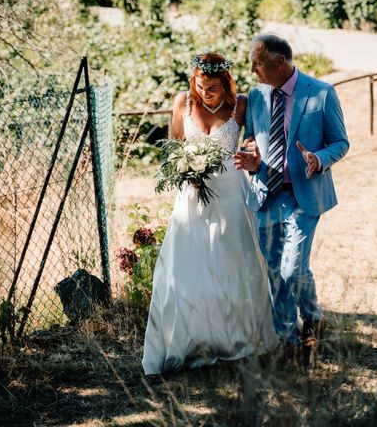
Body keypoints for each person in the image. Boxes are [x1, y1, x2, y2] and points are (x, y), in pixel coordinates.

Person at [142, 53, 278, 375]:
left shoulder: (242, 105)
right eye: (201, 86)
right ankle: (192, 340)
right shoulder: (182, 103)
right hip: (191, 198)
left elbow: (256, 145)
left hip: (230, 195)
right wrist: (181, 170)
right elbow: (173, 147)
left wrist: (252, 157)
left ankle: (236, 339)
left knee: (233, 265)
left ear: (226, 82)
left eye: (213, 87)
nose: (206, 93)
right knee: (188, 268)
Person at [233, 34, 350, 364]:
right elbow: (252, 140)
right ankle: (287, 340)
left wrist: (318, 158)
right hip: (265, 194)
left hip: (305, 195)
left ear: (279, 62)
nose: (253, 69)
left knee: (292, 268)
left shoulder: (322, 93)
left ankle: (312, 318)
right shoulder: (256, 96)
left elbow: (340, 142)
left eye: (258, 62)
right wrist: (251, 157)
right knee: (273, 270)